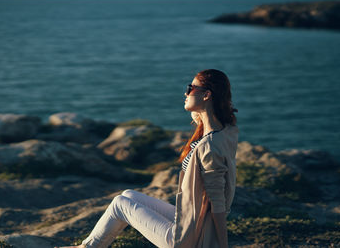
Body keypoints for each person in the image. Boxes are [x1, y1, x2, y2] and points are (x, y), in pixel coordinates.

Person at [56, 69, 238, 248]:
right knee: (128, 194)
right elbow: (202, 116)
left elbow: (218, 202)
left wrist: (221, 244)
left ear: (206, 95)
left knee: (120, 204)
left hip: (188, 239)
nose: (186, 92)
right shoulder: (226, 130)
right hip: (190, 219)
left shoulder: (209, 146)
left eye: (191, 88)